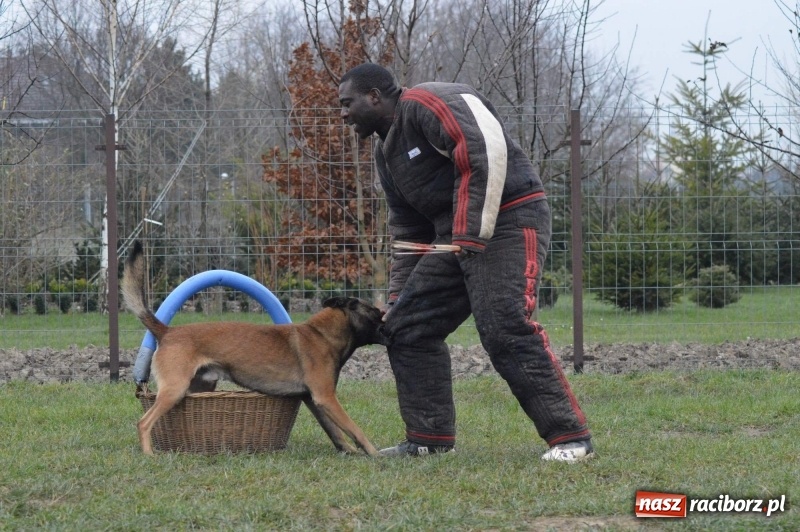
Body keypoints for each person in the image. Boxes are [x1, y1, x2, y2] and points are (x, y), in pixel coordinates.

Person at [338, 63, 594, 462]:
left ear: (374, 97)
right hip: (454, 237)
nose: (343, 113)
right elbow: (407, 226)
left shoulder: (428, 101)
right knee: (405, 327)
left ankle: (570, 439)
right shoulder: (385, 153)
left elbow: (483, 146)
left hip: (509, 218)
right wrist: (399, 296)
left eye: (347, 103)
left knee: (504, 327)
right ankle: (428, 441)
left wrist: (470, 233)